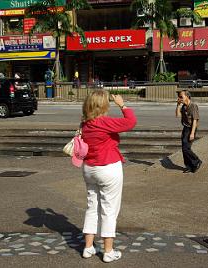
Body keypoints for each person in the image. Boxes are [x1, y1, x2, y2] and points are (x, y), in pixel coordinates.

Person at [80, 90, 137, 263]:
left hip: (89, 168)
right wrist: (123, 104)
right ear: (103, 105)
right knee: (109, 210)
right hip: (108, 167)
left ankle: (88, 247)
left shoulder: (85, 124)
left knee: (92, 206)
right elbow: (131, 122)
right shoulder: (104, 122)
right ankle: (108, 251)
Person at [176, 90, 202, 173]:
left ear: (187, 96)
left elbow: (195, 120)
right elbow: (177, 115)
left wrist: (192, 133)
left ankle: (196, 161)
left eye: (181, 97)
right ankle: (189, 166)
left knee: (186, 148)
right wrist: (178, 105)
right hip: (185, 128)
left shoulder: (193, 106)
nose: (180, 98)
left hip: (191, 128)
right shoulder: (183, 106)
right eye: (179, 97)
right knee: (184, 149)